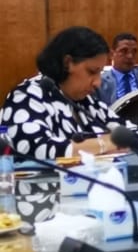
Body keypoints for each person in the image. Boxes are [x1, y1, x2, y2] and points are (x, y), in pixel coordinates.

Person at [0, 26, 128, 160]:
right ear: (67, 63)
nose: (98, 83)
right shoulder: (26, 96)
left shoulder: (85, 101)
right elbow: (36, 149)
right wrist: (104, 144)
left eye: (100, 73)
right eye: (92, 71)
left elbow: (133, 136)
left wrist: (92, 147)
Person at [95, 32, 138, 104]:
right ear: (111, 54)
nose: (130, 56)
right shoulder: (99, 83)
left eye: (134, 51)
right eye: (124, 51)